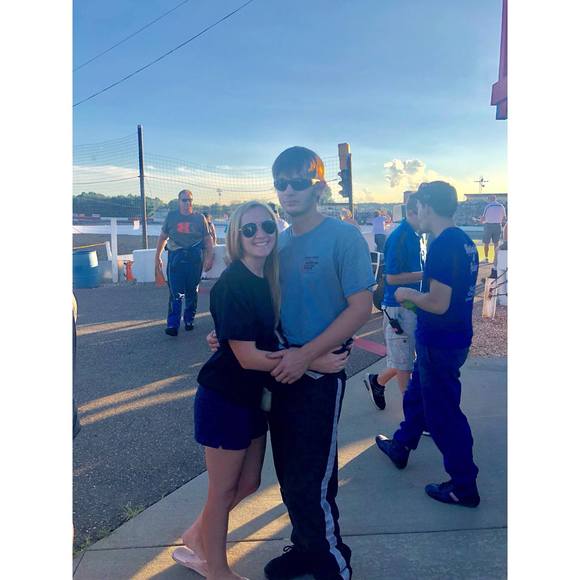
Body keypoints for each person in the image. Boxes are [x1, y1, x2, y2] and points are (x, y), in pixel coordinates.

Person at [208, 147, 374, 580]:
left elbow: (361, 307)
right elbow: (257, 306)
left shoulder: (343, 238)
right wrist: (227, 333)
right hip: (280, 370)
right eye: (281, 183)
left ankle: (332, 562)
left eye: (299, 181)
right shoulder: (276, 242)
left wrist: (309, 355)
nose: (289, 190)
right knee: (289, 476)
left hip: (318, 375)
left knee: (313, 479)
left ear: (319, 187)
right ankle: (305, 548)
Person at [174, 201, 348, 580]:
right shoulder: (234, 282)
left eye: (267, 226)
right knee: (222, 491)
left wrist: (224, 334)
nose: (260, 235)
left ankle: (197, 535)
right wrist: (312, 361)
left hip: (253, 399)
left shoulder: (266, 278)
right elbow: (248, 356)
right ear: (236, 236)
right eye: (249, 229)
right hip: (225, 399)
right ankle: (217, 569)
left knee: (249, 482)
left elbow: (254, 333)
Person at [375, 181, 481, 508]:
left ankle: (463, 486)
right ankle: (401, 446)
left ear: (427, 207)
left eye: (417, 206)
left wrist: (407, 294)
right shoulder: (464, 241)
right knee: (418, 395)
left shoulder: (442, 245)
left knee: (443, 415)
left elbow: (437, 302)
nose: (415, 212)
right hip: (452, 337)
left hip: (439, 342)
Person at [364, 193, 424, 410]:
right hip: (398, 308)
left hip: (411, 305)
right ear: (412, 212)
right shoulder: (400, 237)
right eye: (425, 212)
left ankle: (377, 382)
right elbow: (391, 278)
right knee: (405, 365)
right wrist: (427, 275)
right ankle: (414, 416)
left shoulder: (416, 235)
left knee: (404, 358)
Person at [155, 190, 214, 336]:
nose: (187, 203)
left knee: (192, 291)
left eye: (190, 200)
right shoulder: (171, 217)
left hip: (194, 260)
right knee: (176, 292)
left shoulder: (199, 218)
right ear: (179, 201)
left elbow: (207, 240)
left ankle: (189, 320)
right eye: (184, 200)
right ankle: (173, 324)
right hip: (176, 259)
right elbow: (163, 237)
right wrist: (157, 257)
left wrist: (209, 258)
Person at [473, 194, 506, 264]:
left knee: (486, 243)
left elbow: (483, 219)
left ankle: (486, 258)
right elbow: (504, 218)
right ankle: (496, 259)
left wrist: (477, 220)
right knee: (496, 243)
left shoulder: (488, 206)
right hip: (498, 225)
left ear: (489, 199)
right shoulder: (501, 206)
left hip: (488, 226)